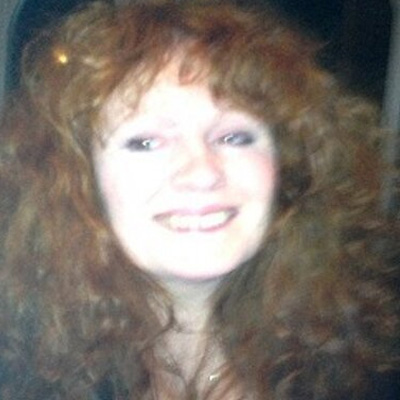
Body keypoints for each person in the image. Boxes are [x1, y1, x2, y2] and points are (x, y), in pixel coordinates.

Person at [0, 1, 399, 399]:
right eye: (146, 142)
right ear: (80, 181)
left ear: (289, 169)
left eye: (234, 136)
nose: (202, 172)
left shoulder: (372, 369)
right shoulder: (24, 378)